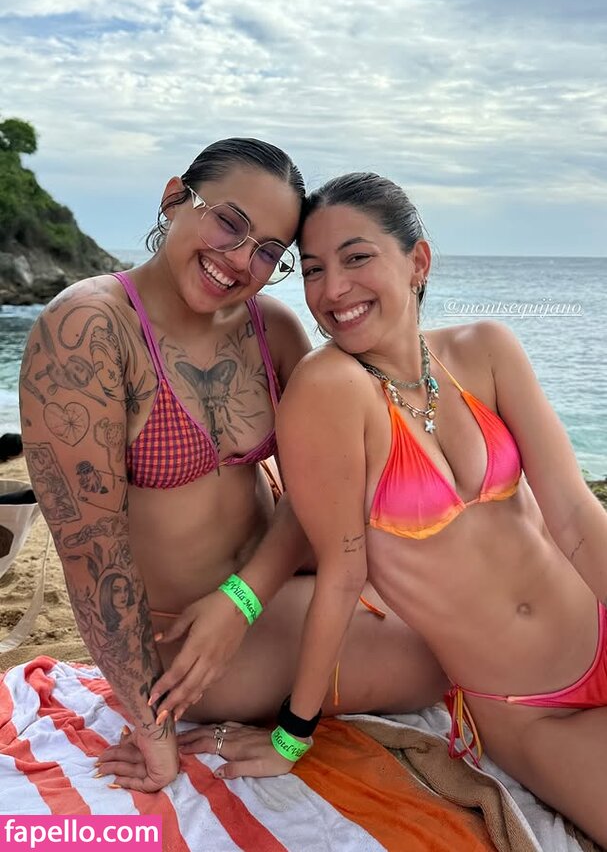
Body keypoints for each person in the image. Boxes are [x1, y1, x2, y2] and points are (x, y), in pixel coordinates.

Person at [19, 147, 446, 794]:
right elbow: (92, 559)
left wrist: (244, 596)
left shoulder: (270, 327)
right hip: (189, 642)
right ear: (174, 199)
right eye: (228, 223)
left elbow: (316, 490)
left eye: (270, 251)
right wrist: (154, 735)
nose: (242, 260)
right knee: (448, 651)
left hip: (264, 594)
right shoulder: (89, 330)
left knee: (473, 589)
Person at [198, 172, 607, 846]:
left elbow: (573, 515)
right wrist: (292, 735)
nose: (333, 290)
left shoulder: (485, 349)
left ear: (417, 261)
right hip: (528, 709)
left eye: (356, 258)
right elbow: (343, 577)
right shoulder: (329, 388)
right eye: (314, 269)